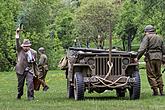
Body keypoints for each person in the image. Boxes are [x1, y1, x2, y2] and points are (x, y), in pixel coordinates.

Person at [135, 25, 165, 96]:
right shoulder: (160, 37)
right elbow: (164, 49)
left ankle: (155, 91)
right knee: (158, 74)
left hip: (150, 58)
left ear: (147, 31)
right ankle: (161, 91)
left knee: (151, 75)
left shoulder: (147, 37)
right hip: (159, 57)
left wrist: (137, 57)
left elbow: (142, 49)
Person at [15, 28, 37, 100]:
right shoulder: (19, 50)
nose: (26, 47)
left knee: (30, 83)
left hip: (29, 70)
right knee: (20, 85)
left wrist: (36, 71)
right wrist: (17, 33)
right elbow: (17, 42)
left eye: (27, 46)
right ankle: (19, 94)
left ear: (29, 46)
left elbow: (34, 62)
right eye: (24, 46)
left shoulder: (34, 52)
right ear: (22, 46)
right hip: (20, 70)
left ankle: (30, 97)